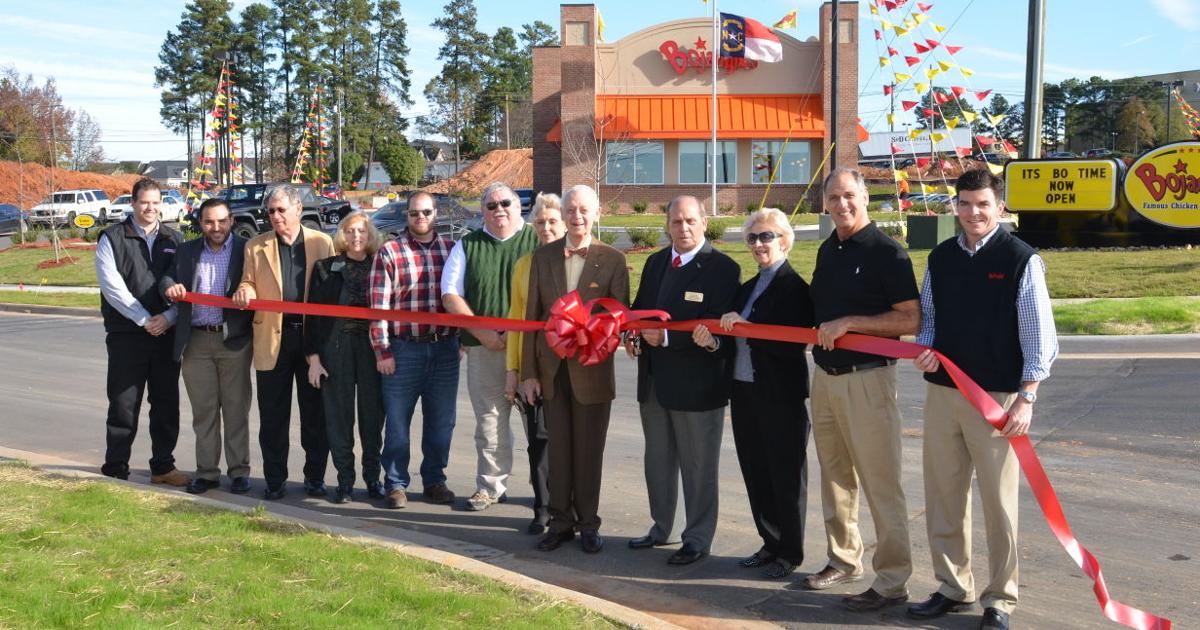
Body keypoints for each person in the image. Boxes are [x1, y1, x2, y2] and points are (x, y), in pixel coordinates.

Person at [906, 169, 1057, 630]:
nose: (974, 212)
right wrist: (925, 349)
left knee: (999, 503)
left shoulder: (1020, 259)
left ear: (1000, 207)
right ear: (955, 206)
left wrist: (1026, 397)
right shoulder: (941, 257)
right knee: (943, 496)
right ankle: (953, 586)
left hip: (996, 399)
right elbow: (930, 318)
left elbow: (1039, 336)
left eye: (983, 204)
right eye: (966, 203)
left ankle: (1001, 599)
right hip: (943, 394)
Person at [804, 167, 919, 613]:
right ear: (825, 203)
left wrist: (851, 323)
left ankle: (892, 580)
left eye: (849, 195)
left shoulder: (887, 253)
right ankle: (843, 559)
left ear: (865, 197)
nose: (842, 204)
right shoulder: (828, 249)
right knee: (835, 479)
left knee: (880, 483)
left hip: (868, 379)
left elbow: (910, 319)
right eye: (834, 197)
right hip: (825, 379)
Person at [696, 208, 814, 579]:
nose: (759, 244)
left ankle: (790, 552)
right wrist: (713, 342)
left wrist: (750, 327)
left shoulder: (796, 289)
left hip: (780, 395)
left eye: (767, 236)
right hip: (744, 392)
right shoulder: (746, 288)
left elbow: (790, 344)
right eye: (753, 238)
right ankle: (769, 541)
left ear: (785, 241)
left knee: (785, 476)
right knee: (756, 471)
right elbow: (732, 341)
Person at [626, 195, 740, 565]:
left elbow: (717, 326)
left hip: (697, 386)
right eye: (676, 221)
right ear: (668, 225)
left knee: (698, 467)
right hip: (654, 381)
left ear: (705, 222)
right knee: (658, 462)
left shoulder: (723, 268)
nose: (684, 228)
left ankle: (697, 538)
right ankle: (662, 528)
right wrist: (632, 333)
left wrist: (666, 337)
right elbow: (640, 310)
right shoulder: (656, 262)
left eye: (691, 221)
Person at [521, 185, 630, 554]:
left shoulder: (613, 259)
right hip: (551, 371)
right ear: (563, 214)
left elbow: (619, 318)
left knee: (588, 452)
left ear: (597, 213)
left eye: (584, 210)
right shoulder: (542, 257)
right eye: (571, 210)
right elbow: (532, 318)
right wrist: (529, 373)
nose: (577, 216)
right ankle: (560, 522)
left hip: (592, 371)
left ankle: (588, 524)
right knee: (559, 452)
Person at [441, 182, 539, 511]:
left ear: (519, 206)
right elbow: (450, 294)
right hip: (485, 349)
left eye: (506, 203)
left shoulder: (537, 239)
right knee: (490, 422)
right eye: (492, 205)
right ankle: (490, 486)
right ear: (482, 210)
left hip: (530, 349)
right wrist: (481, 332)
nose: (500, 210)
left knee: (538, 423)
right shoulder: (467, 245)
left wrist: (515, 334)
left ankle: (546, 490)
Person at [232, 186, 334, 500]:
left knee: (314, 417)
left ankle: (314, 478)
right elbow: (248, 280)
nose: (275, 216)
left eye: (280, 210)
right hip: (272, 341)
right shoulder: (255, 245)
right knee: (273, 419)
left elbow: (332, 289)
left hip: (311, 342)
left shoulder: (322, 242)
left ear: (298, 209)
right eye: (271, 211)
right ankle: (275, 481)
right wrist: (246, 290)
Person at [95, 177, 188, 486]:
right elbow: (112, 288)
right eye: (144, 202)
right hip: (127, 334)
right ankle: (115, 468)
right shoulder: (112, 238)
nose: (150, 208)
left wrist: (169, 319)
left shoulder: (175, 239)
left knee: (165, 405)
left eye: (155, 202)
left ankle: (163, 467)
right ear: (133, 203)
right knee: (124, 404)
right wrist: (144, 319)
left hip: (166, 335)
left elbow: (186, 287)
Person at [369, 192, 460, 509]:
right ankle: (395, 484)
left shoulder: (452, 250)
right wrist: (382, 350)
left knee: (442, 422)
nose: (420, 218)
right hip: (403, 350)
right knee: (397, 424)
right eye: (414, 213)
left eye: (426, 212)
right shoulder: (390, 252)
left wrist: (462, 339)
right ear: (406, 216)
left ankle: (435, 480)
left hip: (445, 349)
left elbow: (461, 297)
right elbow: (378, 307)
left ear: (436, 213)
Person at [161, 198, 253, 495]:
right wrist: (170, 287)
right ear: (200, 223)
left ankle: (239, 471)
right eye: (209, 221)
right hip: (196, 341)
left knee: (236, 410)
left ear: (232, 221)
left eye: (222, 221)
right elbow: (167, 277)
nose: (216, 227)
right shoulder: (187, 250)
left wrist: (247, 289)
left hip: (233, 340)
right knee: (204, 412)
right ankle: (207, 472)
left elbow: (258, 282)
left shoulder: (246, 249)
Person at [305, 212, 385, 504]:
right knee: (339, 418)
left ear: (370, 235)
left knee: (372, 417)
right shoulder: (325, 268)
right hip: (335, 349)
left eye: (361, 231)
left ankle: (373, 478)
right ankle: (345, 482)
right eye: (350, 231)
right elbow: (313, 318)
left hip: (373, 350)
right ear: (341, 235)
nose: (356, 236)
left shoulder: (381, 265)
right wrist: (314, 359)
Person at [503, 192, 565, 534]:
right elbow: (517, 321)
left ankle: (568, 506)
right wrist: (513, 370)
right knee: (539, 440)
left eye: (553, 221)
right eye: (540, 222)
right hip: (534, 367)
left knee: (568, 441)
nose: (546, 227)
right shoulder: (524, 265)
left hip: (570, 367)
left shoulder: (578, 261)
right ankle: (542, 508)